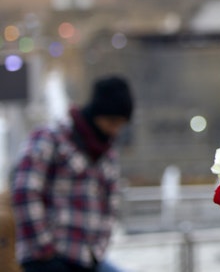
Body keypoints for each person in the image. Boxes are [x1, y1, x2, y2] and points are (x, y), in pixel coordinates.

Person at [12, 75, 134, 272]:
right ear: (97, 114)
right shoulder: (50, 137)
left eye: (120, 124)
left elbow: (111, 204)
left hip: (88, 258)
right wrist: (45, 248)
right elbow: (25, 191)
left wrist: (98, 250)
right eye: (112, 122)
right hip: (47, 259)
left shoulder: (107, 155)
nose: (115, 131)